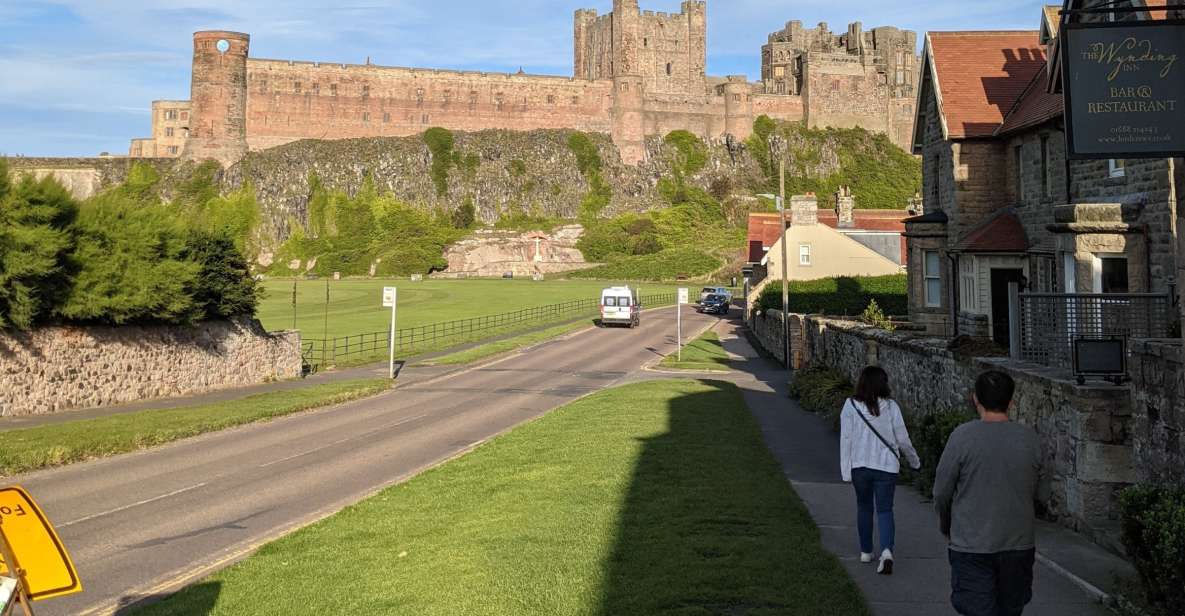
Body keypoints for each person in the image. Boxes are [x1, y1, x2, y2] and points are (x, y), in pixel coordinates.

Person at [934, 370, 1043, 616]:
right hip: (1018, 543)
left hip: (971, 543)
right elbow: (1041, 492)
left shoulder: (962, 438)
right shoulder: (1029, 439)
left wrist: (946, 523)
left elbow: (942, 491)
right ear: (1011, 401)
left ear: (975, 399)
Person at [840, 366, 921, 575]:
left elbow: (846, 439)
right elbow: (902, 438)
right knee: (885, 510)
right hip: (886, 467)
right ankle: (886, 551)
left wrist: (846, 470)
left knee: (864, 507)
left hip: (860, 465)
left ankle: (866, 551)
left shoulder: (850, 406)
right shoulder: (891, 407)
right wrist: (914, 461)